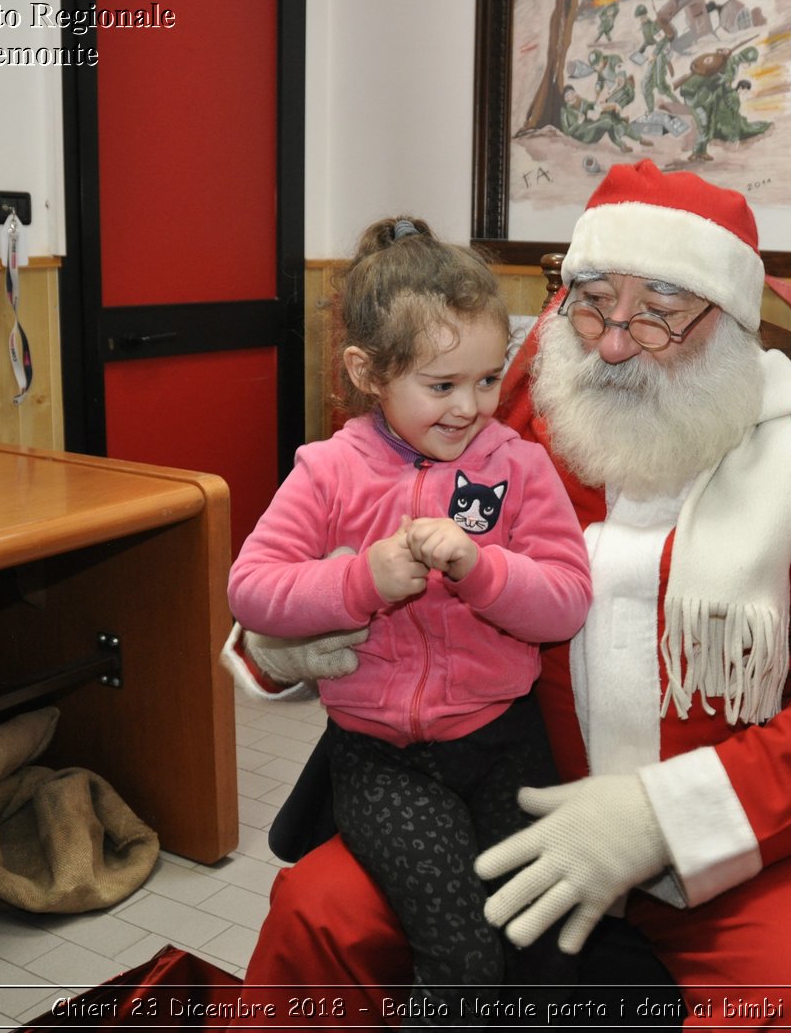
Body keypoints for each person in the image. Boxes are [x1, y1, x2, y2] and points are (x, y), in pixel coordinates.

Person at [233, 161, 791, 1029]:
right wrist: (271, 649)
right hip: (496, 807)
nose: (615, 341)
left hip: (734, 841)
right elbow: (325, 530)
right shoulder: (500, 413)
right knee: (315, 918)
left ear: (731, 319)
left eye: (661, 310)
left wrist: (661, 817)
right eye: (591, 302)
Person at [226, 217, 592, 1022]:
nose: (471, 408)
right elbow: (250, 588)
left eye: (489, 380)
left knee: (548, 937)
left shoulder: (519, 464)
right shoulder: (326, 471)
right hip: (382, 760)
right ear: (367, 371)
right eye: (442, 384)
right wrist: (362, 579)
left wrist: (482, 567)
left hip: (504, 741)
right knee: (460, 952)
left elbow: (566, 598)